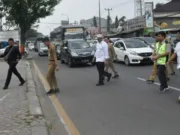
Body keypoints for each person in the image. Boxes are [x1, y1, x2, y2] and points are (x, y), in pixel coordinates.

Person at [167, 29, 180, 101]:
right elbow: (174, 54)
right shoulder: (178, 44)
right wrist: (169, 60)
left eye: (178, 34)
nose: (177, 35)